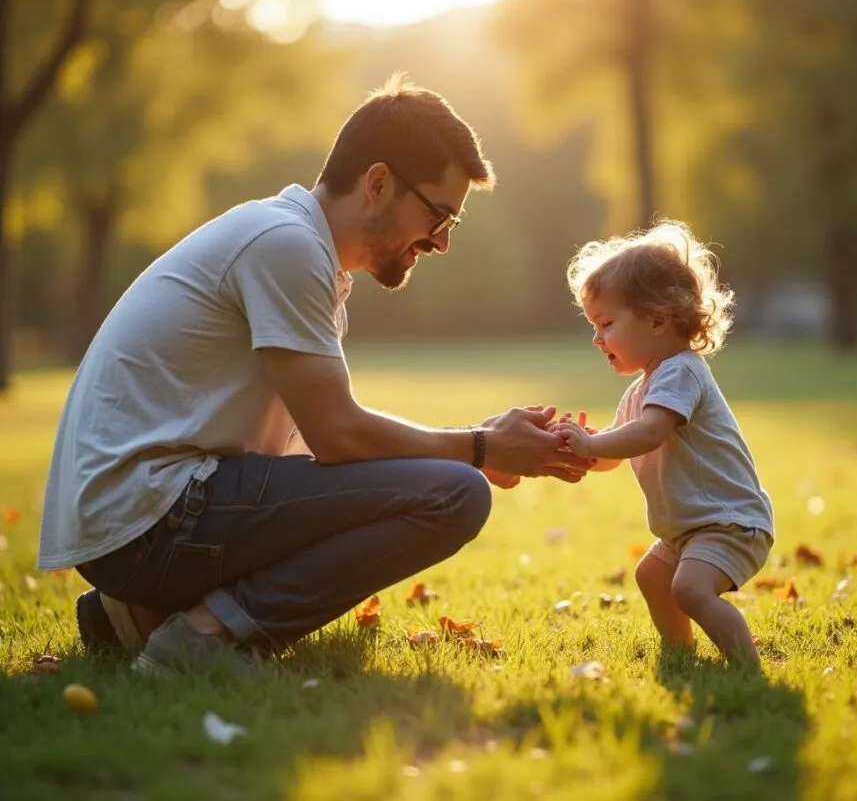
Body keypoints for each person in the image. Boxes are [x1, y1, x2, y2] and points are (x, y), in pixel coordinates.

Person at [38, 74, 589, 674]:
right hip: (152, 513)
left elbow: (327, 452)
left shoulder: (301, 251)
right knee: (456, 497)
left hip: (141, 516)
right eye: (438, 216)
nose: (440, 242)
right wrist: (478, 450)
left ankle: (131, 620)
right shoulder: (287, 246)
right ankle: (209, 633)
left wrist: (474, 445)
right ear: (378, 183)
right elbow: (339, 438)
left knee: (442, 481)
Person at [553, 220, 774, 668]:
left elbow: (648, 434)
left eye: (607, 323)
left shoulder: (681, 371)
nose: (597, 338)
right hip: (689, 528)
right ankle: (680, 655)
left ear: (657, 319)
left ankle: (746, 668)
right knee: (652, 575)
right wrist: (581, 447)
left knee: (688, 589)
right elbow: (617, 451)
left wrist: (591, 445)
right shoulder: (642, 388)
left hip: (728, 522)